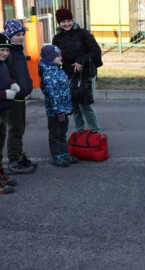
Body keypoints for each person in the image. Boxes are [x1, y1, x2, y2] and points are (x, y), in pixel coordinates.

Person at [52, 8, 102, 133]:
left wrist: (81, 60)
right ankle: (79, 132)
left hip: (85, 74)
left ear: (72, 20)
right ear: (59, 23)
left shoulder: (83, 33)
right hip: (68, 75)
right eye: (63, 22)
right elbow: (56, 57)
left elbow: (95, 51)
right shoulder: (57, 38)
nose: (66, 24)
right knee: (74, 106)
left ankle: (96, 132)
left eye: (69, 20)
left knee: (85, 104)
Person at [3, 19, 36, 174]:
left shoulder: (18, 50)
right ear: (10, 35)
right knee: (15, 128)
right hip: (12, 97)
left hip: (21, 96)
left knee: (20, 127)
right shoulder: (8, 52)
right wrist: (13, 84)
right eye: (17, 35)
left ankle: (19, 154)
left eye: (23, 34)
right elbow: (5, 74)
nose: (21, 37)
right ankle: (13, 160)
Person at [38, 45, 79, 167]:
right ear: (51, 58)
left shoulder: (57, 69)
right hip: (56, 111)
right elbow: (52, 95)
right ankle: (56, 155)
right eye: (57, 56)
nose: (61, 57)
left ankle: (64, 153)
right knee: (56, 133)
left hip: (64, 109)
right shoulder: (48, 73)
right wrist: (59, 111)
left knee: (62, 132)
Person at [0, 33, 19, 194]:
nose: (5, 54)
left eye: (6, 50)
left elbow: (6, 78)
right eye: (1, 50)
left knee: (0, 144)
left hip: (3, 110)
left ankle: (0, 173)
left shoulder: (3, 64)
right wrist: (4, 94)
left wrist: (12, 84)